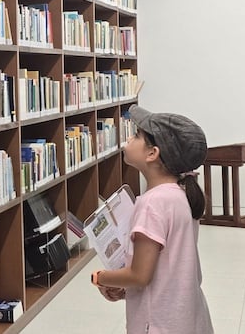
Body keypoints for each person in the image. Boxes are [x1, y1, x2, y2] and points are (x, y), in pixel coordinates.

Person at [90, 104, 214, 334]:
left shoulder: (151, 204)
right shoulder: (180, 194)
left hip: (159, 324)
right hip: (187, 317)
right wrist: (121, 284)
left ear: (152, 153)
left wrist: (100, 277)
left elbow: (139, 275)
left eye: (137, 135)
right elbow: (163, 268)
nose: (130, 137)